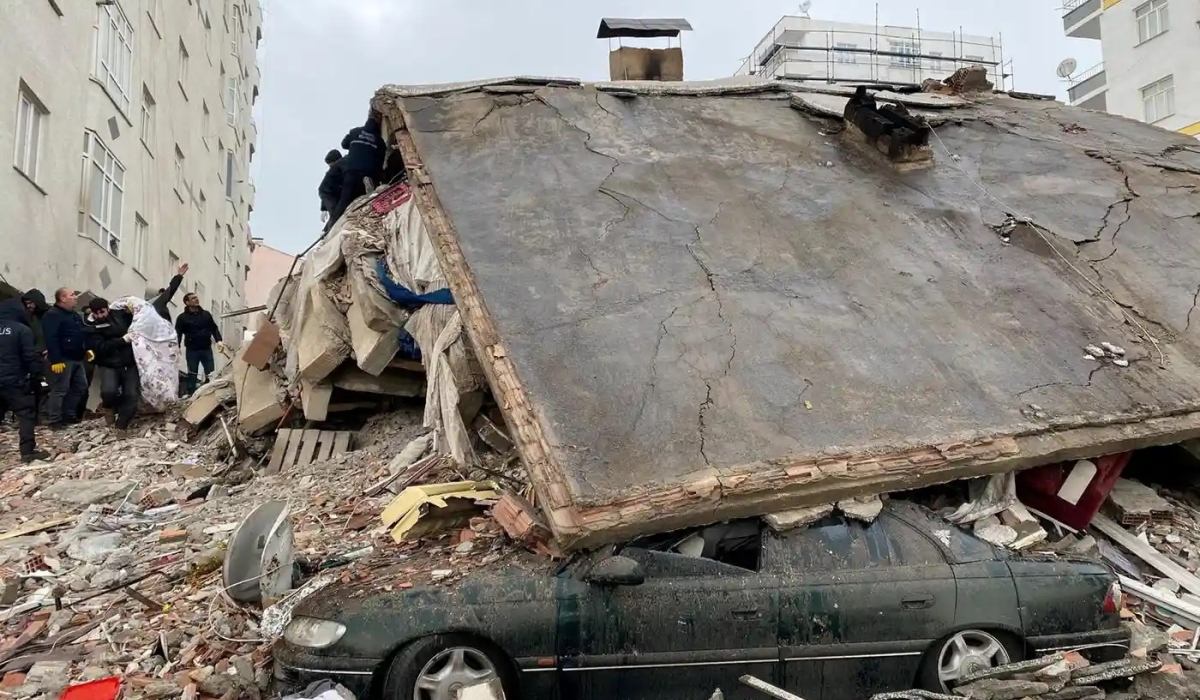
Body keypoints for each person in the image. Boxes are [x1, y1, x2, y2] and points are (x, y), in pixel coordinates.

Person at [0, 299, 49, 463]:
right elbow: (30, 357)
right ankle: (27, 452)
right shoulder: (22, 330)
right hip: (16, 381)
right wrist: (38, 377)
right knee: (26, 415)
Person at [85, 298, 140, 433]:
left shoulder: (120, 315)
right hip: (108, 363)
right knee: (108, 392)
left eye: (102, 312)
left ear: (108, 309)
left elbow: (141, 316)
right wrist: (122, 340)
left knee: (131, 395)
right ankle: (109, 408)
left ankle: (121, 426)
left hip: (129, 362)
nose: (100, 316)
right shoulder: (89, 327)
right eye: (96, 313)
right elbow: (100, 348)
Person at [326, 110, 387, 232]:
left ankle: (331, 229)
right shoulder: (380, 141)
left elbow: (344, 144)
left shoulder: (355, 132)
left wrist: (357, 146)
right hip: (369, 172)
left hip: (352, 170)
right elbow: (380, 161)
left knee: (344, 200)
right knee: (365, 199)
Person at [40, 288, 89, 428]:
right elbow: (51, 338)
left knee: (80, 387)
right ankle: (54, 419)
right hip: (62, 359)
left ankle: (69, 415)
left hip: (77, 357)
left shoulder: (74, 315)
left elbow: (81, 333)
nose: (75, 297)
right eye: (72, 295)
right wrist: (56, 360)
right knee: (60, 389)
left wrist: (87, 349)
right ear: (62, 298)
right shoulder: (53, 315)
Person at [175, 292, 225, 396]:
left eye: (196, 297)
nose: (196, 299)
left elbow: (213, 328)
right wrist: (177, 345)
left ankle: (211, 394)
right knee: (192, 373)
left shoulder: (206, 315)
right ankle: (191, 394)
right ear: (187, 302)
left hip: (206, 348)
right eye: (193, 298)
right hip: (192, 350)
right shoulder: (182, 318)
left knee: (211, 373)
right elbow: (178, 333)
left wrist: (219, 340)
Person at [318, 150, 344, 224]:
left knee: (336, 217)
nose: (331, 167)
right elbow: (325, 189)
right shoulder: (331, 174)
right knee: (334, 216)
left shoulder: (345, 169)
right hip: (334, 199)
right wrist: (324, 208)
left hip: (342, 198)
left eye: (331, 164)